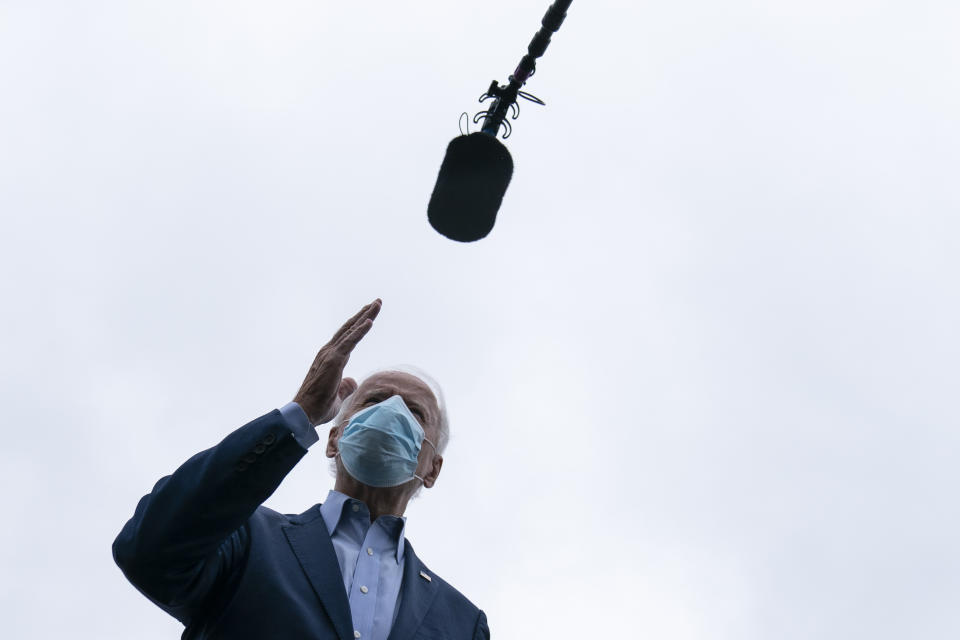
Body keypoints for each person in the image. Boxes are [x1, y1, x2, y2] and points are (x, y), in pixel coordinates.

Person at [113, 299, 489, 639]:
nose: (391, 412)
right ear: (333, 439)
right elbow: (148, 551)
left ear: (432, 469)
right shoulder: (248, 538)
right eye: (373, 400)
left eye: (414, 412)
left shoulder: (462, 621)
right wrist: (302, 412)